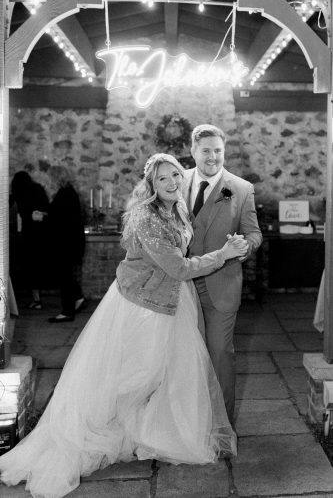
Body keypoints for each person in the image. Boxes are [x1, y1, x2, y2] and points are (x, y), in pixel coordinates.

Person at [0, 153, 247, 498]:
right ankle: (96, 427)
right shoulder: (147, 217)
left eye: (175, 175)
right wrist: (223, 254)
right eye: (162, 179)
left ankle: (151, 429)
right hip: (143, 305)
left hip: (172, 301)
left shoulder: (175, 208)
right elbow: (177, 267)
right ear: (151, 186)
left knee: (172, 372)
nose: (172, 182)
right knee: (136, 373)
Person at [183, 124, 263, 425]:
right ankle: (186, 425)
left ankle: (221, 429)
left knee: (219, 355)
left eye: (218, 150)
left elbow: (254, 234)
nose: (213, 157)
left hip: (222, 286)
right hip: (182, 284)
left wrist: (245, 247)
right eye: (206, 151)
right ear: (193, 151)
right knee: (183, 356)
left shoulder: (241, 188)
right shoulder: (177, 182)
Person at [45, 166, 86, 323]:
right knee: (67, 275)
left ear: (57, 178)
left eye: (51, 177)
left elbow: (61, 221)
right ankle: (79, 299)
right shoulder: (68, 192)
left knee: (65, 277)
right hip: (70, 242)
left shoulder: (65, 194)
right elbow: (61, 216)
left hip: (67, 244)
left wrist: (44, 218)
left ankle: (67, 312)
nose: (49, 180)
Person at [10, 170, 49, 309]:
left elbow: (7, 204)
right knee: (36, 266)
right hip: (41, 232)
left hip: (28, 234)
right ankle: (37, 299)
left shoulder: (18, 192)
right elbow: (46, 208)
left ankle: (36, 299)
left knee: (30, 267)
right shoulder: (37, 188)